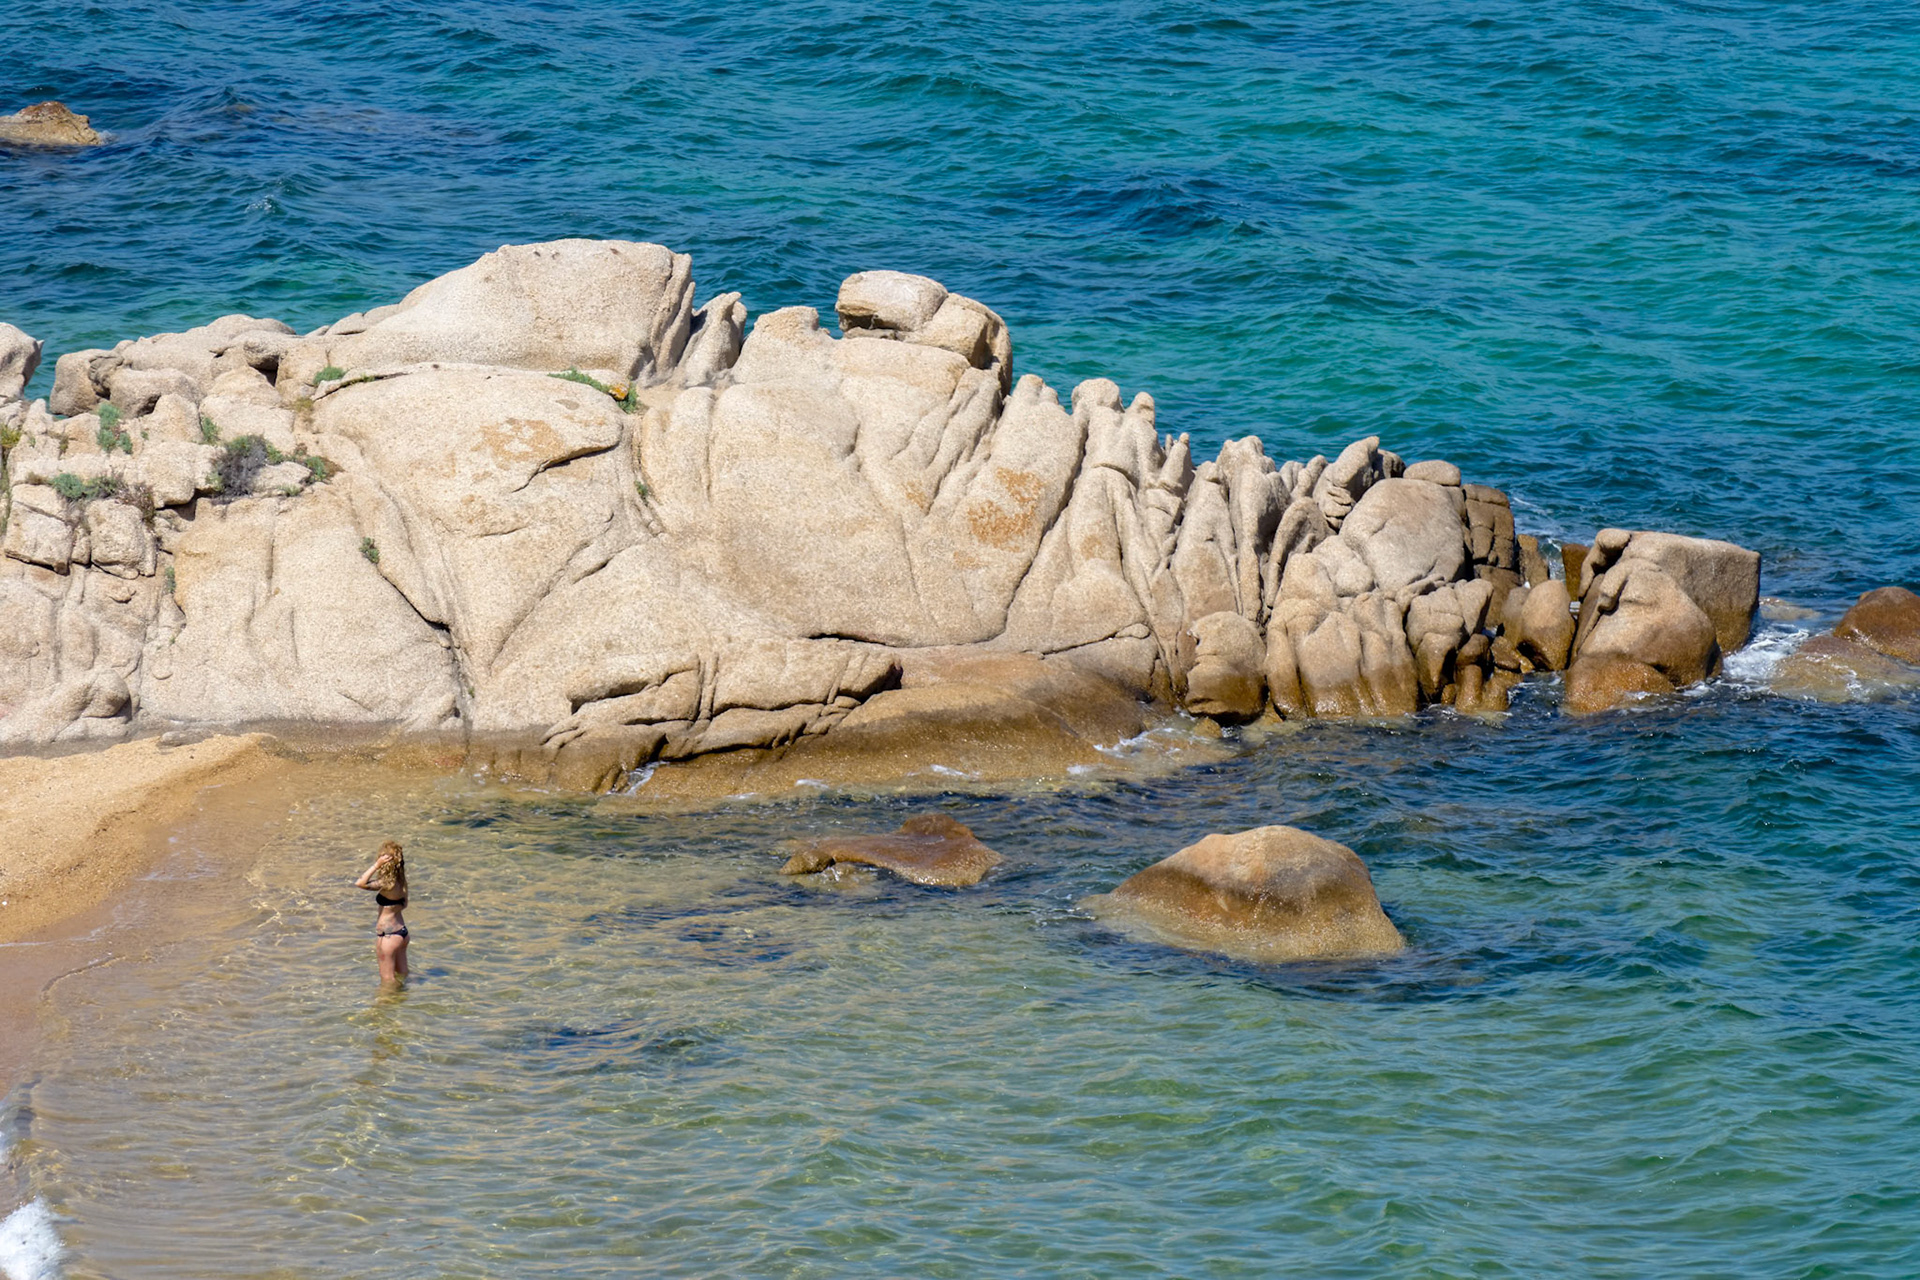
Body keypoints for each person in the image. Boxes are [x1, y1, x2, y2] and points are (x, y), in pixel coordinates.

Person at [354, 840, 410, 983]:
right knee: (403, 974)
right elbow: (404, 905)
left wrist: (376, 865)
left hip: (389, 938)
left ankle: (388, 1004)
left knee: (387, 980)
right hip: (401, 933)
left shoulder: (386, 884)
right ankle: (406, 1001)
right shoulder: (401, 881)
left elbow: (360, 883)